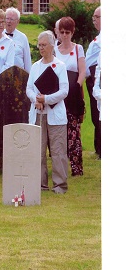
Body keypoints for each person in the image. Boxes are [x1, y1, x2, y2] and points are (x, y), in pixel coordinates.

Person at [26, 31, 69, 194]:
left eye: (44, 45)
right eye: (39, 45)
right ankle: (40, 183)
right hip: (38, 113)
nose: (41, 48)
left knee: (58, 151)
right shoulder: (35, 66)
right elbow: (29, 88)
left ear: (52, 46)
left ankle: (60, 185)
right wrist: (36, 100)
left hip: (55, 114)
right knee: (38, 150)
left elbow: (64, 90)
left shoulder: (60, 66)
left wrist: (46, 98)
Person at [54, 16, 86, 177]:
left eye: (68, 32)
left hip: (73, 94)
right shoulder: (55, 51)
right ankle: (61, 166)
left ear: (72, 33)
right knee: (59, 132)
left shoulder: (78, 49)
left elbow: (83, 71)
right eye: (62, 32)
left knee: (74, 132)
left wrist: (77, 86)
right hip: (59, 96)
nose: (65, 35)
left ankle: (77, 167)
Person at [84, 6, 101, 158]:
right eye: (93, 17)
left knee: (100, 113)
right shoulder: (98, 37)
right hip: (91, 79)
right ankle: (99, 148)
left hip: (99, 78)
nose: (94, 20)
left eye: (97, 17)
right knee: (95, 114)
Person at [4, 7, 32, 73]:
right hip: (3, 75)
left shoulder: (22, 37)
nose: (8, 21)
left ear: (18, 21)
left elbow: (27, 60)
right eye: (7, 18)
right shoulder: (0, 36)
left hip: (19, 76)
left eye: (11, 19)